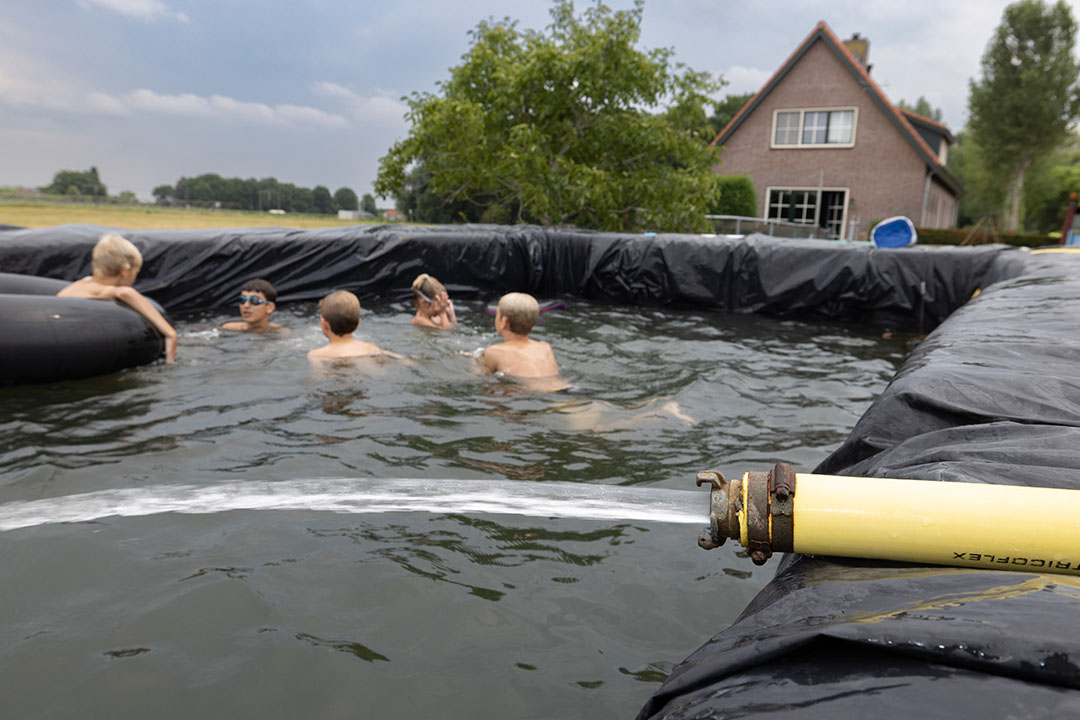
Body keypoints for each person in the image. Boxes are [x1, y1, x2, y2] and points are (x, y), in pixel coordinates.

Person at [57, 232, 178, 363]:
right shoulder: (111, 291)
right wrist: (171, 342)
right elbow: (169, 333)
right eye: (136, 272)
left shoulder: (81, 284)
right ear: (125, 271)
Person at [479, 292, 562, 387]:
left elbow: (484, 381)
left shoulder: (494, 352)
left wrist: (475, 361)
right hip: (566, 391)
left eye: (497, 314)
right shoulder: (545, 347)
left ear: (505, 322)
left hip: (539, 395)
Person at [308, 290, 403, 364]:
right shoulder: (369, 348)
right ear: (358, 323)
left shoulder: (316, 355)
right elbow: (399, 359)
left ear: (324, 324)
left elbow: (319, 377)